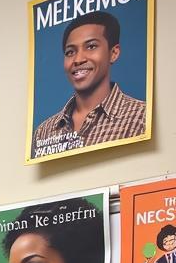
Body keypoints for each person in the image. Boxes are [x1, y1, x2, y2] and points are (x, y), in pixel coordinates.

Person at [31, 12, 146, 160]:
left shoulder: (140, 117)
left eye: (91, 46)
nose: (78, 59)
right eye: (70, 52)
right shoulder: (44, 131)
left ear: (114, 53)